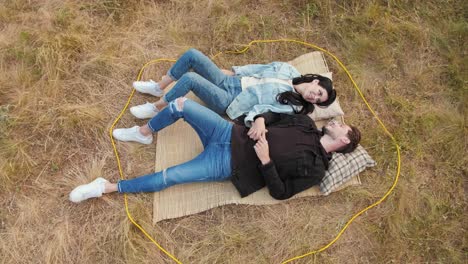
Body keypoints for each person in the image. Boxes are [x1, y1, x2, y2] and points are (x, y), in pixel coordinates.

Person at [69, 97, 360, 203]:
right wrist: (259, 120)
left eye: (343, 127)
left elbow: (281, 193)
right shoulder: (307, 123)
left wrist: (267, 161)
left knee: (168, 177)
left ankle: (105, 187)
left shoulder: (317, 169)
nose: (337, 122)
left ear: (344, 142)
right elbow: (273, 114)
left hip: (227, 163)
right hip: (229, 131)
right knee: (181, 104)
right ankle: (144, 134)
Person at [128, 48, 336, 129]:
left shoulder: (292, 106)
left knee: (191, 78)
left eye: (318, 100)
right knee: (192, 55)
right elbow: (258, 68)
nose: (314, 97)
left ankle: (157, 107)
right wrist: (233, 71)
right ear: (316, 81)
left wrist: (248, 119)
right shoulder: (288, 70)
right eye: (319, 93)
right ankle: (158, 87)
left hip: (230, 101)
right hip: (232, 82)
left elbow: (263, 112)